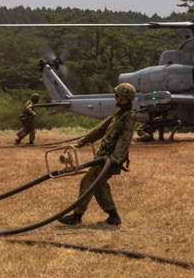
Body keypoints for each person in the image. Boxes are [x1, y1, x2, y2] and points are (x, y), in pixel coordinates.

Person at [58, 83, 139, 227]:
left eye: (118, 96)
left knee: (88, 181)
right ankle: (113, 218)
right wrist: (82, 142)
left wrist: (114, 159)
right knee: (99, 185)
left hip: (110, 159)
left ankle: (76, 216)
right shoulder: (118, 113)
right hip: (103, 156)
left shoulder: (128, 117)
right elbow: (100, 129)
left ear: (125, 98)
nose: (116, 98)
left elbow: (125, 140)